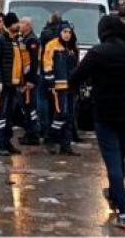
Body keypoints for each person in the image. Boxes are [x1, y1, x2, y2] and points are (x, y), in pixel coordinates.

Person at [69, 15, 125, 228]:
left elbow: (75, 77)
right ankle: (113, 194)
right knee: (120, 158)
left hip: (105, 113)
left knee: (113, 161)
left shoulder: (97, 53)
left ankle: (124, 208)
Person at [42, 21, 80, 156]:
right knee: (61, 114)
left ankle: (66, 145)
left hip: (71, 86)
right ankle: (50, 138)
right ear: (59, 32)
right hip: (58, 87)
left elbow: (76, 67)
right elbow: (47, 64)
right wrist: (50, 81)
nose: (67, 34)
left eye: (69, 32)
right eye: (65, 32)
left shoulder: (72, 47)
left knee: (69, 116)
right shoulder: (52, 45)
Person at [0, 13, 24, 156]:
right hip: (4, 84)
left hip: (13, 84)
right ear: (10, 24)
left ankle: (6, 141)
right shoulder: (1, 39)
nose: (18, 25)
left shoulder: (14, 40)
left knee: (9, 115)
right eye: (16, 23)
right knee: (1, 114)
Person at [18, 17, 42, 146]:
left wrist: (31, 80)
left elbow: (34, 62)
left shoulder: (32, 40)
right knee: (26, 108)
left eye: (22, 23)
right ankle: (29, 133)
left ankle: (33, 135)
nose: (19, 25)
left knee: (31, 108)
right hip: (24, 78)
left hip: (29, 79)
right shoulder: (24, 38)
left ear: (28, 25)